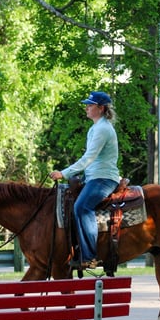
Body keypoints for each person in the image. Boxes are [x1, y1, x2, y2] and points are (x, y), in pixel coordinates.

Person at [50, 91, 120, 269]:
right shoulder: (95, 128)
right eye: (87, 104)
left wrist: (64, 173)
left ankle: (90, 257)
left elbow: (88, 158)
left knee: (82, 207)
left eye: (90, 105)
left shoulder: (103, 129)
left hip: (103, 178)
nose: (86, 107)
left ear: (101, 108)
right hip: (94, 176)